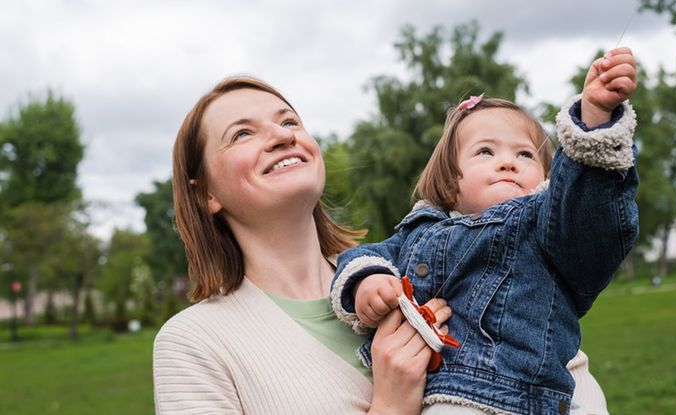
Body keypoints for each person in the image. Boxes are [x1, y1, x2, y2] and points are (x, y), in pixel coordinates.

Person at [152, 76, 610, 415]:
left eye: (289, 120)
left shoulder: (424, 263)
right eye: (243, 133)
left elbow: (568, 372)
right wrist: (391, 404)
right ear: (204, 193)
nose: (282, 135)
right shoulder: (193, 344)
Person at [331, 47, 639, 415]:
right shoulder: (420, 231)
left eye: (525, 155)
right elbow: (364, 256)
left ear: (547, 178)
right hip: (451, 401)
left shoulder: (546, 225)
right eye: (485, 152)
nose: (508, 162)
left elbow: (591, 222)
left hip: (534, 398)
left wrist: (594, 121)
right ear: (450, 180)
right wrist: (369, 282)